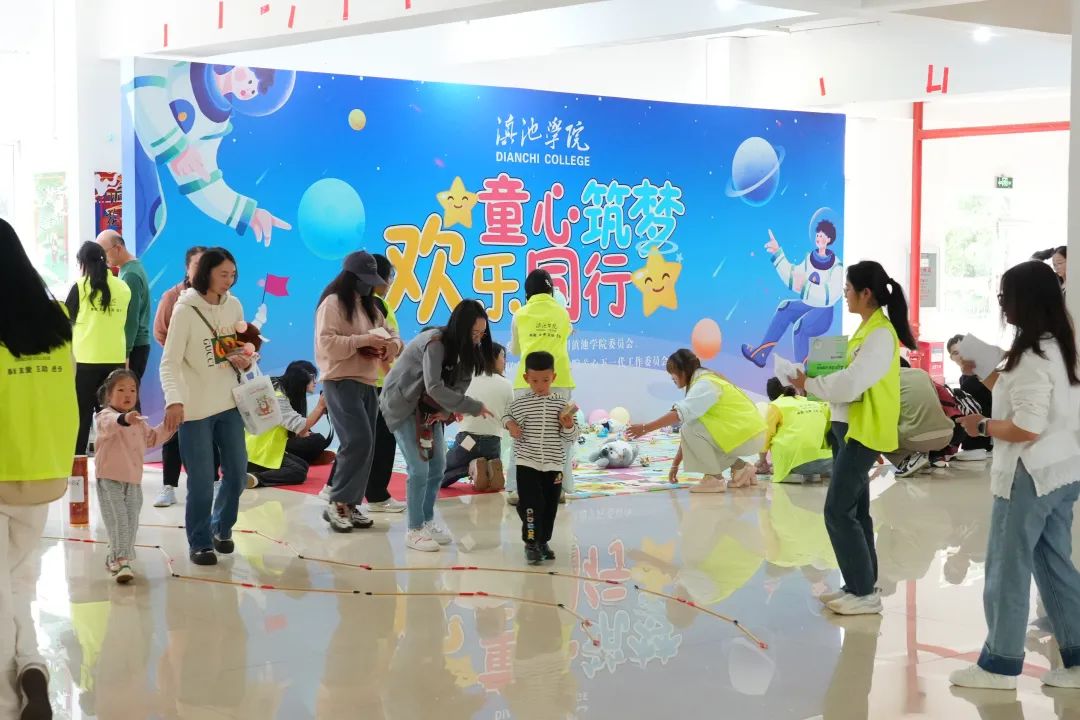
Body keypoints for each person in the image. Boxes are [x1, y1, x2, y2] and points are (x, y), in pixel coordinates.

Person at [949, 261, 1080, 691]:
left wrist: (981, 426)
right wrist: (984, 373)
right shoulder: (1060, 347)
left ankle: (1000, 665)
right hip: (1062, 471)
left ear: (1026, 300)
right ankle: (1077, 661)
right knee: (1054, 565)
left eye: (1006, 296)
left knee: (1007, 567)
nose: (1002, 304)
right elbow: (1023, 397)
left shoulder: (1031, 356)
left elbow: (1026, 426)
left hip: (1029, 475)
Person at [791, 260, 917, 616]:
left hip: (864, 429)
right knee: (856, 511)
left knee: (837, 510)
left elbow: (852, 382)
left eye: (847, 289)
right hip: (847, 426)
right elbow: (846, 377)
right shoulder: (866, 331)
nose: (844, 295)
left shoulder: (880, 335)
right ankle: (860, 586)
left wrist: (810, 384)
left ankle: (864, 594)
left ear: (865, 293)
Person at [0, 218, 76, 717]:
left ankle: (9, 701)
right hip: (45, 467)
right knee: (18, 580)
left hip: (2, 464)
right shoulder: (56, 317)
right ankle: (31, 665)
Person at [380, 299, 496, 552]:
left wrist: (446, 411)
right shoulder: (435, 343)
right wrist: (472, 406)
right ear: (460, 328)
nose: (478, 339)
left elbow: (460, 385)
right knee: (419, 468)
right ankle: (414, 529)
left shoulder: (469, 352)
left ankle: (426, 521)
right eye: (474, 333)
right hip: (403, 404)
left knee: (438, 465)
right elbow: (434, 385)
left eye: (482, 334)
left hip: (429, 409)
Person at [160, 247, 252, 566]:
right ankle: (199, 541)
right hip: (195, 409)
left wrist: (246, 357)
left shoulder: (234, 305)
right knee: (200, 482)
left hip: (229, 403)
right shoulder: (185, 310)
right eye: (223, 274)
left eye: (232, 275)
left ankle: (220, 526)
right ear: (206, 273)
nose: (229, 280)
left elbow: (237, 347)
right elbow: (169, 363)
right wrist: (174, 399)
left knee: (237, 474)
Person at [315, 251, 403, 533]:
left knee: (367, 444)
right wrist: (362, 341)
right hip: (341, 380)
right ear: (350, 277)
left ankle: (351, 504)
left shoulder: (371, 306)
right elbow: (326, 344)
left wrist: (391, 346)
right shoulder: (333, 303)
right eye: (365, 279)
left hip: (368, 382)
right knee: (357, 440)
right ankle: (338, 502)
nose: (370, 285)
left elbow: (392, 333)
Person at [626, 349, 767, 492]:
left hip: (747, 435)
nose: (671, 378)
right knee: (693, 429)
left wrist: (645, 428)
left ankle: (714, 479)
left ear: (683, 371)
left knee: (689, 428)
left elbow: (681, 416)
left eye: (672, 372)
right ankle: (741, 468)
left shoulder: (704, 384)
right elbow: (690, 435)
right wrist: (675, 464)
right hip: (750, 434)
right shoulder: (708, 379)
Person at [93, 369, 172, 583]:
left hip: (133, 480)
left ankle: (116, 556)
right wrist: (125, 418)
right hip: (109, 478)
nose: (128, 394)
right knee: (118, 518)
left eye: (132, 390)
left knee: (131, 520)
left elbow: (152, 438)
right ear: (108, 395)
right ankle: (122, 560)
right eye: (121, 390)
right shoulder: (105, 416)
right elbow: (112, 423)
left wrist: (169, 425)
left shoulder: (138, 420)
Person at [506, 269, 576, 506]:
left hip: (527, 380)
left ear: (528, 293)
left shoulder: (520, 314)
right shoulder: (563, 313)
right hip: (559, 379)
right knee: (561, 435)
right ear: (551, 291)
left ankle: (516, 489)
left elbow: (516, 350)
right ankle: (559, 489)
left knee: (521, 435)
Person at [504, 351, 580, 564]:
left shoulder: (562, 404)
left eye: (545, 380)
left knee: (549, 506)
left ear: (553, 377)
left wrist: (568, 426)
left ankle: (543, 541)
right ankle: (531, 543)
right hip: (527, 463)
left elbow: (572, 436)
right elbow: (506, 416)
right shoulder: (521, 403)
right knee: (532, 505)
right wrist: (511, 425)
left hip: (554, 466)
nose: (540, 385)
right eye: (535, 380)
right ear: (526, 378)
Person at [153, 246, 210, 507]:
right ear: (187, 268)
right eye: (197, 264)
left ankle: (215, 481)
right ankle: (169, 486)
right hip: (180, 374)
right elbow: (160, 331)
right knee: (174, 429)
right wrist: (179, 353)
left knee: (212, 427)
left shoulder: (219, 298)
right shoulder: (172, 297)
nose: (202, 269)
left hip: (209, 377)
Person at [742, 221, 844, 368]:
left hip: (824, 312)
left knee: (799, 327)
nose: (818, 238)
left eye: (821, 236)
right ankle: (761, 354)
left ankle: (804, 372)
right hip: (808, 304)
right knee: (785, 308)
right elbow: (793, 277)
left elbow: (832, 294)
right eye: (817, 235)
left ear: (828, 239)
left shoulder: (836, 266)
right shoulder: (810, 259)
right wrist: (778, 254)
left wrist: (806, 286)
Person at [66, 241, 132, 455]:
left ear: (83, 263)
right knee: (113, 416)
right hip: (115, 359)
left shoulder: (80, 287)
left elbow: (66, 320)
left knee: (81, 417)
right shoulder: (123, 288)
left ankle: (78, 464)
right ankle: (115, 462)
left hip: (85, 361)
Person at [245, 361, 329, 488]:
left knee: (303, 466)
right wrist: (320, 407)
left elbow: (300, 429)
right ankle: (256, 478)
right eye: (313, 377)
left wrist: (321, 409)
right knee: (299, 471)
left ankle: (256, 475)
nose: (315, 381)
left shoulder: (280, 393)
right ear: (301, 378)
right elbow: (301, 427)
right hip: (257, 453)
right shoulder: (277, 398)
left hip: (263, 449)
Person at [443, 343, 513, 489]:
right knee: (488, 471)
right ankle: (487, 469)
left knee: (440, 474)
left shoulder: (467, 378)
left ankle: (471, 468)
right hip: (493, 443)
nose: (504, 361)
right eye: (502, 356)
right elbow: (509, 416)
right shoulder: (507, 384)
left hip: (468, 440)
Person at [97, 230, 152, 382]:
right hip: (136, 344)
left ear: (118, 248)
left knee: (127, 392)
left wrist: (126, 353)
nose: (103, 259)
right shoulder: (129, 268)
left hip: (134, 347)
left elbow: (131, 318)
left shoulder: (130, 275)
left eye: (104, 253)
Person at [890, 359, 958, 478]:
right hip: (947, 434)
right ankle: (923, 462)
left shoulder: (887, 379)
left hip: (918, 438)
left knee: (877, 435)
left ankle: (906, 461)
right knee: (916, 420)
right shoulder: (922, 373)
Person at [761, 377, 832, 483]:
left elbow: (765, 436)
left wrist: (762, 461)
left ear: (771, 396)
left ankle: (787, 471)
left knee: (777, 436)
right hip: (826, 460)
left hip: (797, 463)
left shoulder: (776, 405)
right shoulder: (814, 403)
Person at [946, 334, 993, 461]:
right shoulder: (964, 378)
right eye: (956, 353)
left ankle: (978, 446)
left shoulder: (982, 372)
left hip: (990, 428)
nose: (961, 355)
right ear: (951, 358)